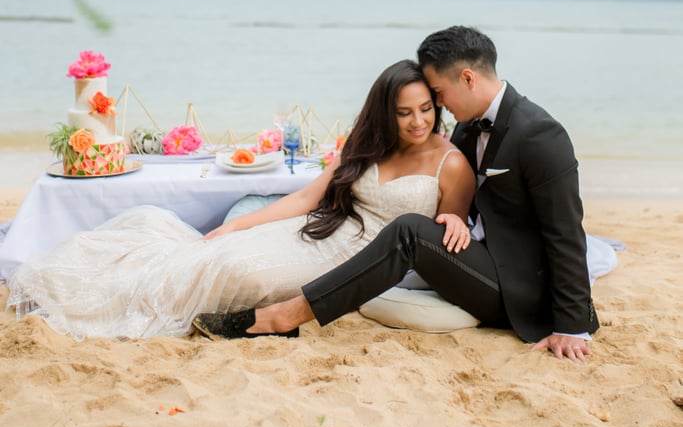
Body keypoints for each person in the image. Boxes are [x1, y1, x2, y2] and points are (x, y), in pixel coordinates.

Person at [197, 26, 599, 362]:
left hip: (521, 291)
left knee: (409, 231)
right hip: (479, 259)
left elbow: (566, 232)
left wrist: (571, 326)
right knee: (407, 234)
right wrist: (458, 216)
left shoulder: (540, 135)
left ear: (468, 79)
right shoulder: (466, 127)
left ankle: (282, 319)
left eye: (437, 94)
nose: (435, 106)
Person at [7, 59, 475, 340]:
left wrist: (454, 220)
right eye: (404, 113)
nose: (418, 122)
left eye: (427, 110)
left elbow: (443, 227)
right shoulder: (367, 141)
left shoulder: (450, 164)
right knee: (222, 250)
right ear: (385, 112)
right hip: (320, 232)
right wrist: (238, 225)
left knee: (236, 272)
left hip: (361, 261)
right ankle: (105, 289)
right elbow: (310, 197)